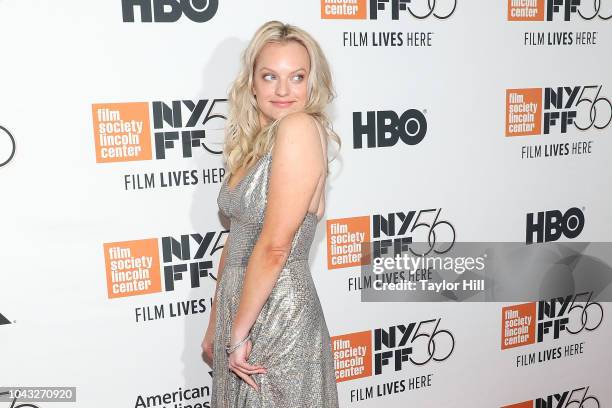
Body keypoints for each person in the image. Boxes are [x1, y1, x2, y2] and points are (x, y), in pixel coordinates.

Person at [201, 20, 341, 407]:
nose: (283, 90)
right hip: (240, 304)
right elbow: (236, 240)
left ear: (313, 83)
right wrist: (219, 322)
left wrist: (240, 333)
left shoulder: (298, 128)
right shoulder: (251, 146)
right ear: (252, 82)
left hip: (279, 312)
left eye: (297, 77)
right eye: (270, 76)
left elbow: (276, 246)